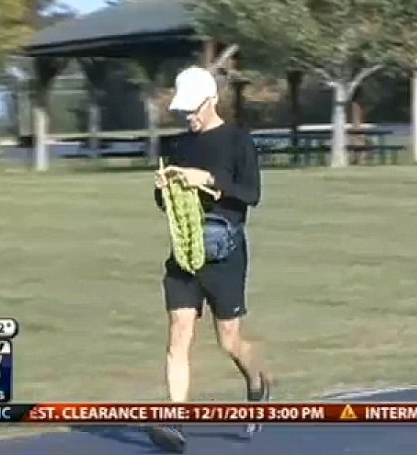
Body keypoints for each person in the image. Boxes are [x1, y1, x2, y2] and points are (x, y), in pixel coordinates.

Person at [147, 66, 270, 453]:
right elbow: (164, 205)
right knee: (178, 335)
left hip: (225, 253)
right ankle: (174, 420)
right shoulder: (177, 145)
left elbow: (251, 194)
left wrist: (209, 180)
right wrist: (162, 189)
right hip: (184, 252)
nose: (189, 117)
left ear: (212, 100)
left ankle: (256, 384)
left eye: (194, 109)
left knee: (229, 340)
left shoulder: (237, 140)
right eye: (183, 111)